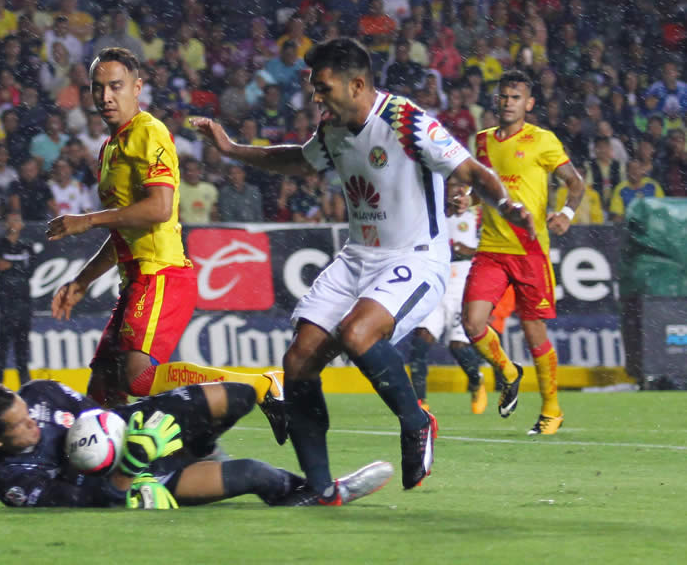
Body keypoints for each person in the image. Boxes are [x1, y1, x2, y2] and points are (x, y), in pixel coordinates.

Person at [192, 38, 534, 502]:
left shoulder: (406, 120)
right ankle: (320, 489)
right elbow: (298, 159)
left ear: (357, 84)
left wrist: (508, 205)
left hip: (414, 258)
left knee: (357, 335)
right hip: (358, 258)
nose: (316, 97)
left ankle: (417, 422)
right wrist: (233, 149)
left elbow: (470, 171)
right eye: (314, 88)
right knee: (298, 362)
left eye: (323, 87)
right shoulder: (333, 127)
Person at [45, 47, 286, 441]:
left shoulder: (149, 132)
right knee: (104, 389)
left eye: (116, 86)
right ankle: (119, 473)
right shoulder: (110, 149)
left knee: (138, 379)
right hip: (136, 279)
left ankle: (263, 384)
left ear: (137, 88)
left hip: (161, 274)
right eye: (97, 87)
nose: (105, 96)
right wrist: (83, 280)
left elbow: (158, 208)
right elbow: (126, 229)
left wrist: (85, 220)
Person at [0, 378, 394, 508]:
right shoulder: (12, 479)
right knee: (254, 474)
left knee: (241, 396)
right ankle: (317, 494)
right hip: (136, 479)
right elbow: (92, 501)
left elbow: (101, 417)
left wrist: (134, 433)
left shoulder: (40, 393)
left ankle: (201, 446)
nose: (33, 421)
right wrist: (133, 461)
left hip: (138, 427)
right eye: (20, 425)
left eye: (25, 410)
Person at [462, 70, 586, 436]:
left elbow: (575, 183)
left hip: (530, 251)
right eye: (503, 96)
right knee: (472, 324)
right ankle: (508, 370)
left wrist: (565, 213)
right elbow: (478, 188)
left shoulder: (542, 140)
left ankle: (552, 409)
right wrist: (464, 198)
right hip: (491, 248)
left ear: (529, 104)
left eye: (515, 97)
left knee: (535, 334)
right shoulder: (482, 142)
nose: (507, 102)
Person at [408, 176, 488, 415]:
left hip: (462, 284)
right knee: (420, 342)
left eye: (455, 186)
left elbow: (490, 247)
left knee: (457, 346)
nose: (451, 190)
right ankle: (420, 404)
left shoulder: (476, 214)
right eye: (447, 185)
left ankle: (476, 380)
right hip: (436, 281)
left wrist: (468, 251)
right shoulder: (432, 213)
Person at [0, 213, 36, 386]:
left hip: (23, 301)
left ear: (22, 224)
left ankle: (25, 385)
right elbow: (0, 266)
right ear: (6, 223)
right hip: (5, 300)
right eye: (11, 220)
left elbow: (31, 271)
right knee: (2, 346)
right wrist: (20, 268)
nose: (14, 223)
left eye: (18, 220)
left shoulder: (27, 246)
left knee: (22, 347)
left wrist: (12, 267)